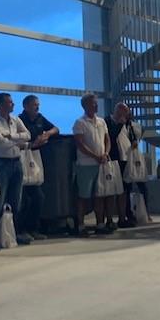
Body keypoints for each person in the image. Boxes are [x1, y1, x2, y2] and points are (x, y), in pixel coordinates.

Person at [0, 93, 32, 250]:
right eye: (9, 102)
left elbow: (28, 135)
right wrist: (18, 142)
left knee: (15, 202)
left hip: (16, 163)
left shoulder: (15, 120)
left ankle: (14, 233)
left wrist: (12, 136)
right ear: (0, 105)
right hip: (1, 164)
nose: (13, 105)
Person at [18, 95, 59, 240]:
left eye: (38, 104)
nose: (37, 107)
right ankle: (21, 230)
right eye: (34, 105)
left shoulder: (41, 118)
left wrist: (46, 134)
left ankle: (34, 228)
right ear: (26, 106)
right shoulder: (19, 120)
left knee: (38, 197)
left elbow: (56, 129)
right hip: (22, 159)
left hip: (36, 161)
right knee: (24, 200)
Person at [72, 93, 112, 237]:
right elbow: (80, 144)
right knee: (83, 196)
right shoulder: (80, 123)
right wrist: (95, 156)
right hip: (85, 165)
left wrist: (106, 153)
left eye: (96, 103)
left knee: (99, 195)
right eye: (92, 103)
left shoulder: (101, 121)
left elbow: (107, 140)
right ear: (85, 106)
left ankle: (100, 223)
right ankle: (81, 225)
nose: (95, 105)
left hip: (101, 164)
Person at [105, 102, 147, 228]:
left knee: (125, 190)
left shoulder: (129, 125)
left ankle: (124, 217)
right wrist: (120, 123)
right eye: (124, 112)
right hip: (114, 158)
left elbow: (133, 137)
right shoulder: (108, 121)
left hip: (126, 158)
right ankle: (110, 219)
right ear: (118, 111)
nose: (126, 115)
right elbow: (111, 136)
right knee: (112, 190)